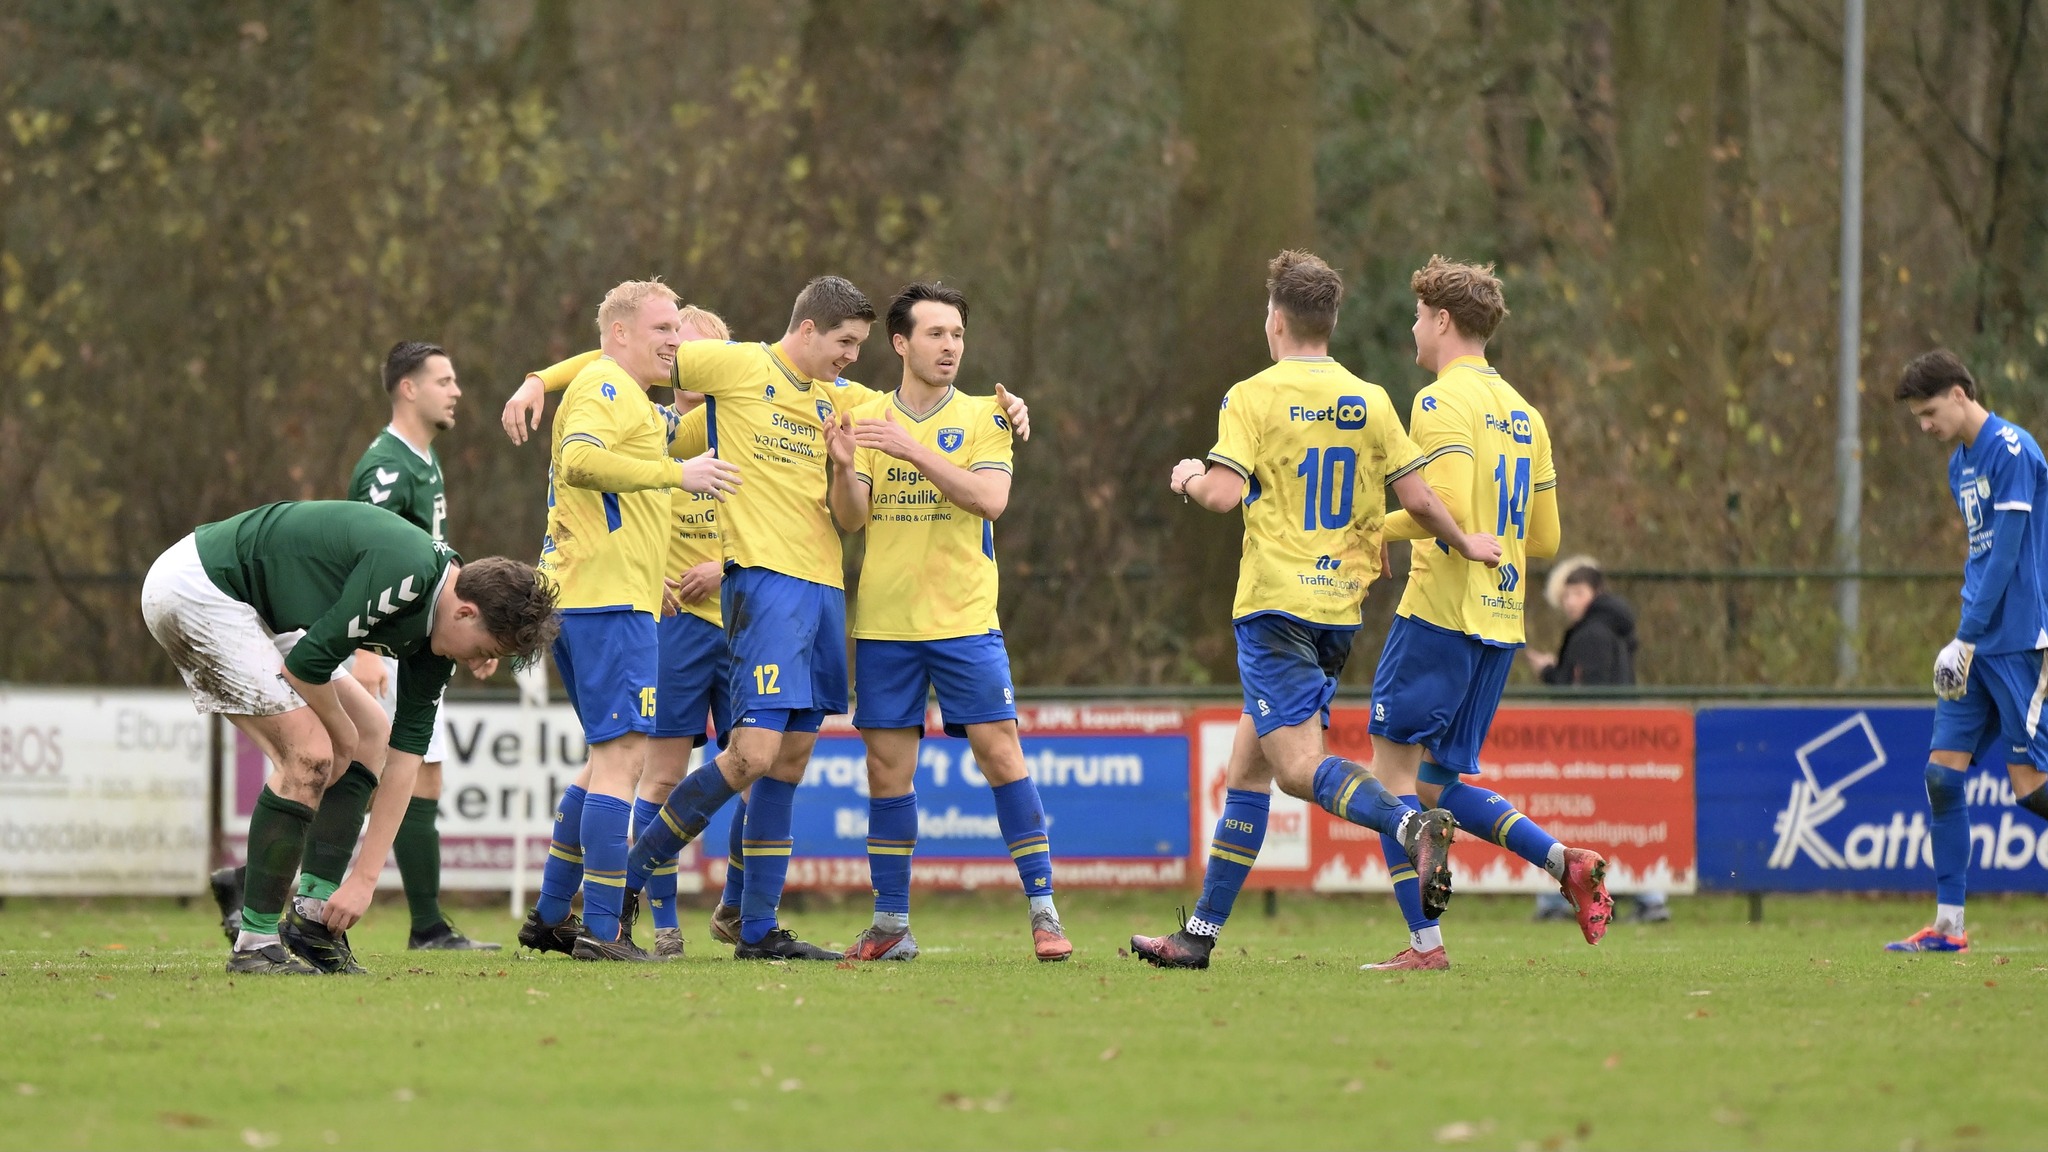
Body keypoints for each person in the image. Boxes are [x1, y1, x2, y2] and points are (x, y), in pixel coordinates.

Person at [506, 276, 1032, 960]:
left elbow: (921, 406)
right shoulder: (739, 366)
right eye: (844, 343)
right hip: (764, 585)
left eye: (861, 346)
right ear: (808, 330)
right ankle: (627, 881)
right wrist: (538, 381)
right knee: (747, 754)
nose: (852, 357)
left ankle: (756, 928)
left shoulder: (845, 398)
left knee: (788, 760)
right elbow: (624, 354)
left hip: (824, 591)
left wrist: (1005, 410)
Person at [1129, 249, 1499, 970]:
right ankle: (1198, 937)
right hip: (1337, 613)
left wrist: (1188, 477)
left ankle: (1409, 826)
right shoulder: (1371, 399)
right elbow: (1420, 500)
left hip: (1275, 609)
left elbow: (1223, 495)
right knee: (1247, 769)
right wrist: (1465, 542)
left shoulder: (1252, 395)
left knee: (1299, 769)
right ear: (1330, 322)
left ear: (1275, 320)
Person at [142, 500, 557, 973]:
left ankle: (312, 919)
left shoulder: (436, 643)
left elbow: (405, 760)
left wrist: (364, 880)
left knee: (372, 733)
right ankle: (254, 944)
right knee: (311, 755)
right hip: (201, 586)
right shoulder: (407, 574)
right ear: (464, 612)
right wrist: (340, 736)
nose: (478, 662)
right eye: (484, 649)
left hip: (259, 610)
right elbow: (306, 667)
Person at [1365, 255, 1612, 972]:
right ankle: (1564, 861)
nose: (1414, 329)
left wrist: (1371, 528)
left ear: (1442, 320)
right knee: (1436, 785)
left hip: (1440, 614)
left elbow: (1439, 506)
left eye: (1419, 316)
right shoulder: (1527, 415)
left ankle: (1425, 945)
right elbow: (1546, 539)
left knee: (1390, 782)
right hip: (1500, 624)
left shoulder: (1439, 401)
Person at [826, 282, 1070, 962]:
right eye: (936, 334)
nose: (950, 346)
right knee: (886, 772)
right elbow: (851, 519)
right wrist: (844, 469)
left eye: (957, 335)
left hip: (964, 620)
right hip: (886, 624)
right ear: (900, 343)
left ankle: (1045, 913)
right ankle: (890, 926)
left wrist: (913, 450)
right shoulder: (864, 417)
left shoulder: (989, 415)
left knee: (1001, 755)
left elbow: (989, 499)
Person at [513, 279, 741, 963]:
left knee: (601, 764)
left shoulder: (630, 396)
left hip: (603, 596)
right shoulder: (607, 385)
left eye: (677, 330)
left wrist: (538, 379)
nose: (674, 341)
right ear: (618, 335)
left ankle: (551, 915)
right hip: (605, 604)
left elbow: (640, 462)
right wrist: (677, 475)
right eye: (663, 329)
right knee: (623, 764)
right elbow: (580, 461)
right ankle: (605, 927)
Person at [1886, 349, 2048, 953]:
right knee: (1941, 776)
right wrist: (1964, 637)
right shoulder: (1960, 465)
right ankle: (1949, 927)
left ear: (1960, 394)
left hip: (2018, 641)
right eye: (1917, 418)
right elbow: (1980, 558)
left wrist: (1968, 637)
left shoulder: (2012, 450)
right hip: (1975, 642)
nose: (1924, 425)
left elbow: (2008, 555)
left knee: (2031, 789)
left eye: (1929, 412)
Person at [346, 341, 503, 950]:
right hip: (379, 647)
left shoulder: (422, 459)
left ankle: (428, 924)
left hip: (406, 646)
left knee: (418, 776)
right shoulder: (388, 467)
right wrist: (365, 650)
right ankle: (426, 925)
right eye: (443, 380)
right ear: (408, 389)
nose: (456, 391)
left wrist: (472, 634)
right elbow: (362, 554)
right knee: (356, 773)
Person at [1525, 558, 1664, 923]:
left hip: (1592, 745)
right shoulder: (1614, 628)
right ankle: (1650, 897)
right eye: (1567, 594)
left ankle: (1558, 901)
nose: (1570, 601)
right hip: (1619, 740)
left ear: (1595, 593)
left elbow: (1586, 694)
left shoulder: (1590, 634)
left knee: (1574, 818)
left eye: (1578, 593)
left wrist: (1550, 672)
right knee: (1619, 819)